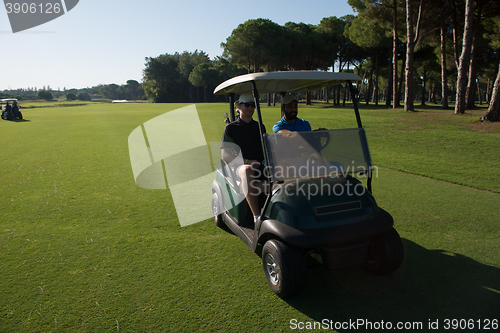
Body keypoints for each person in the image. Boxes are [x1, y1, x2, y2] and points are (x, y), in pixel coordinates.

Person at [220, 93, 266, 224]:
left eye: (252, 105)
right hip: (239, 166)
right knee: (247, 170)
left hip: (260, 164)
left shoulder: (259, 127)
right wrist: (248, 161)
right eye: (247, 105)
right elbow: (226, 155)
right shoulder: (231, 128)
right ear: (239, 106)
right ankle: (257, 217)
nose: (250, 108)